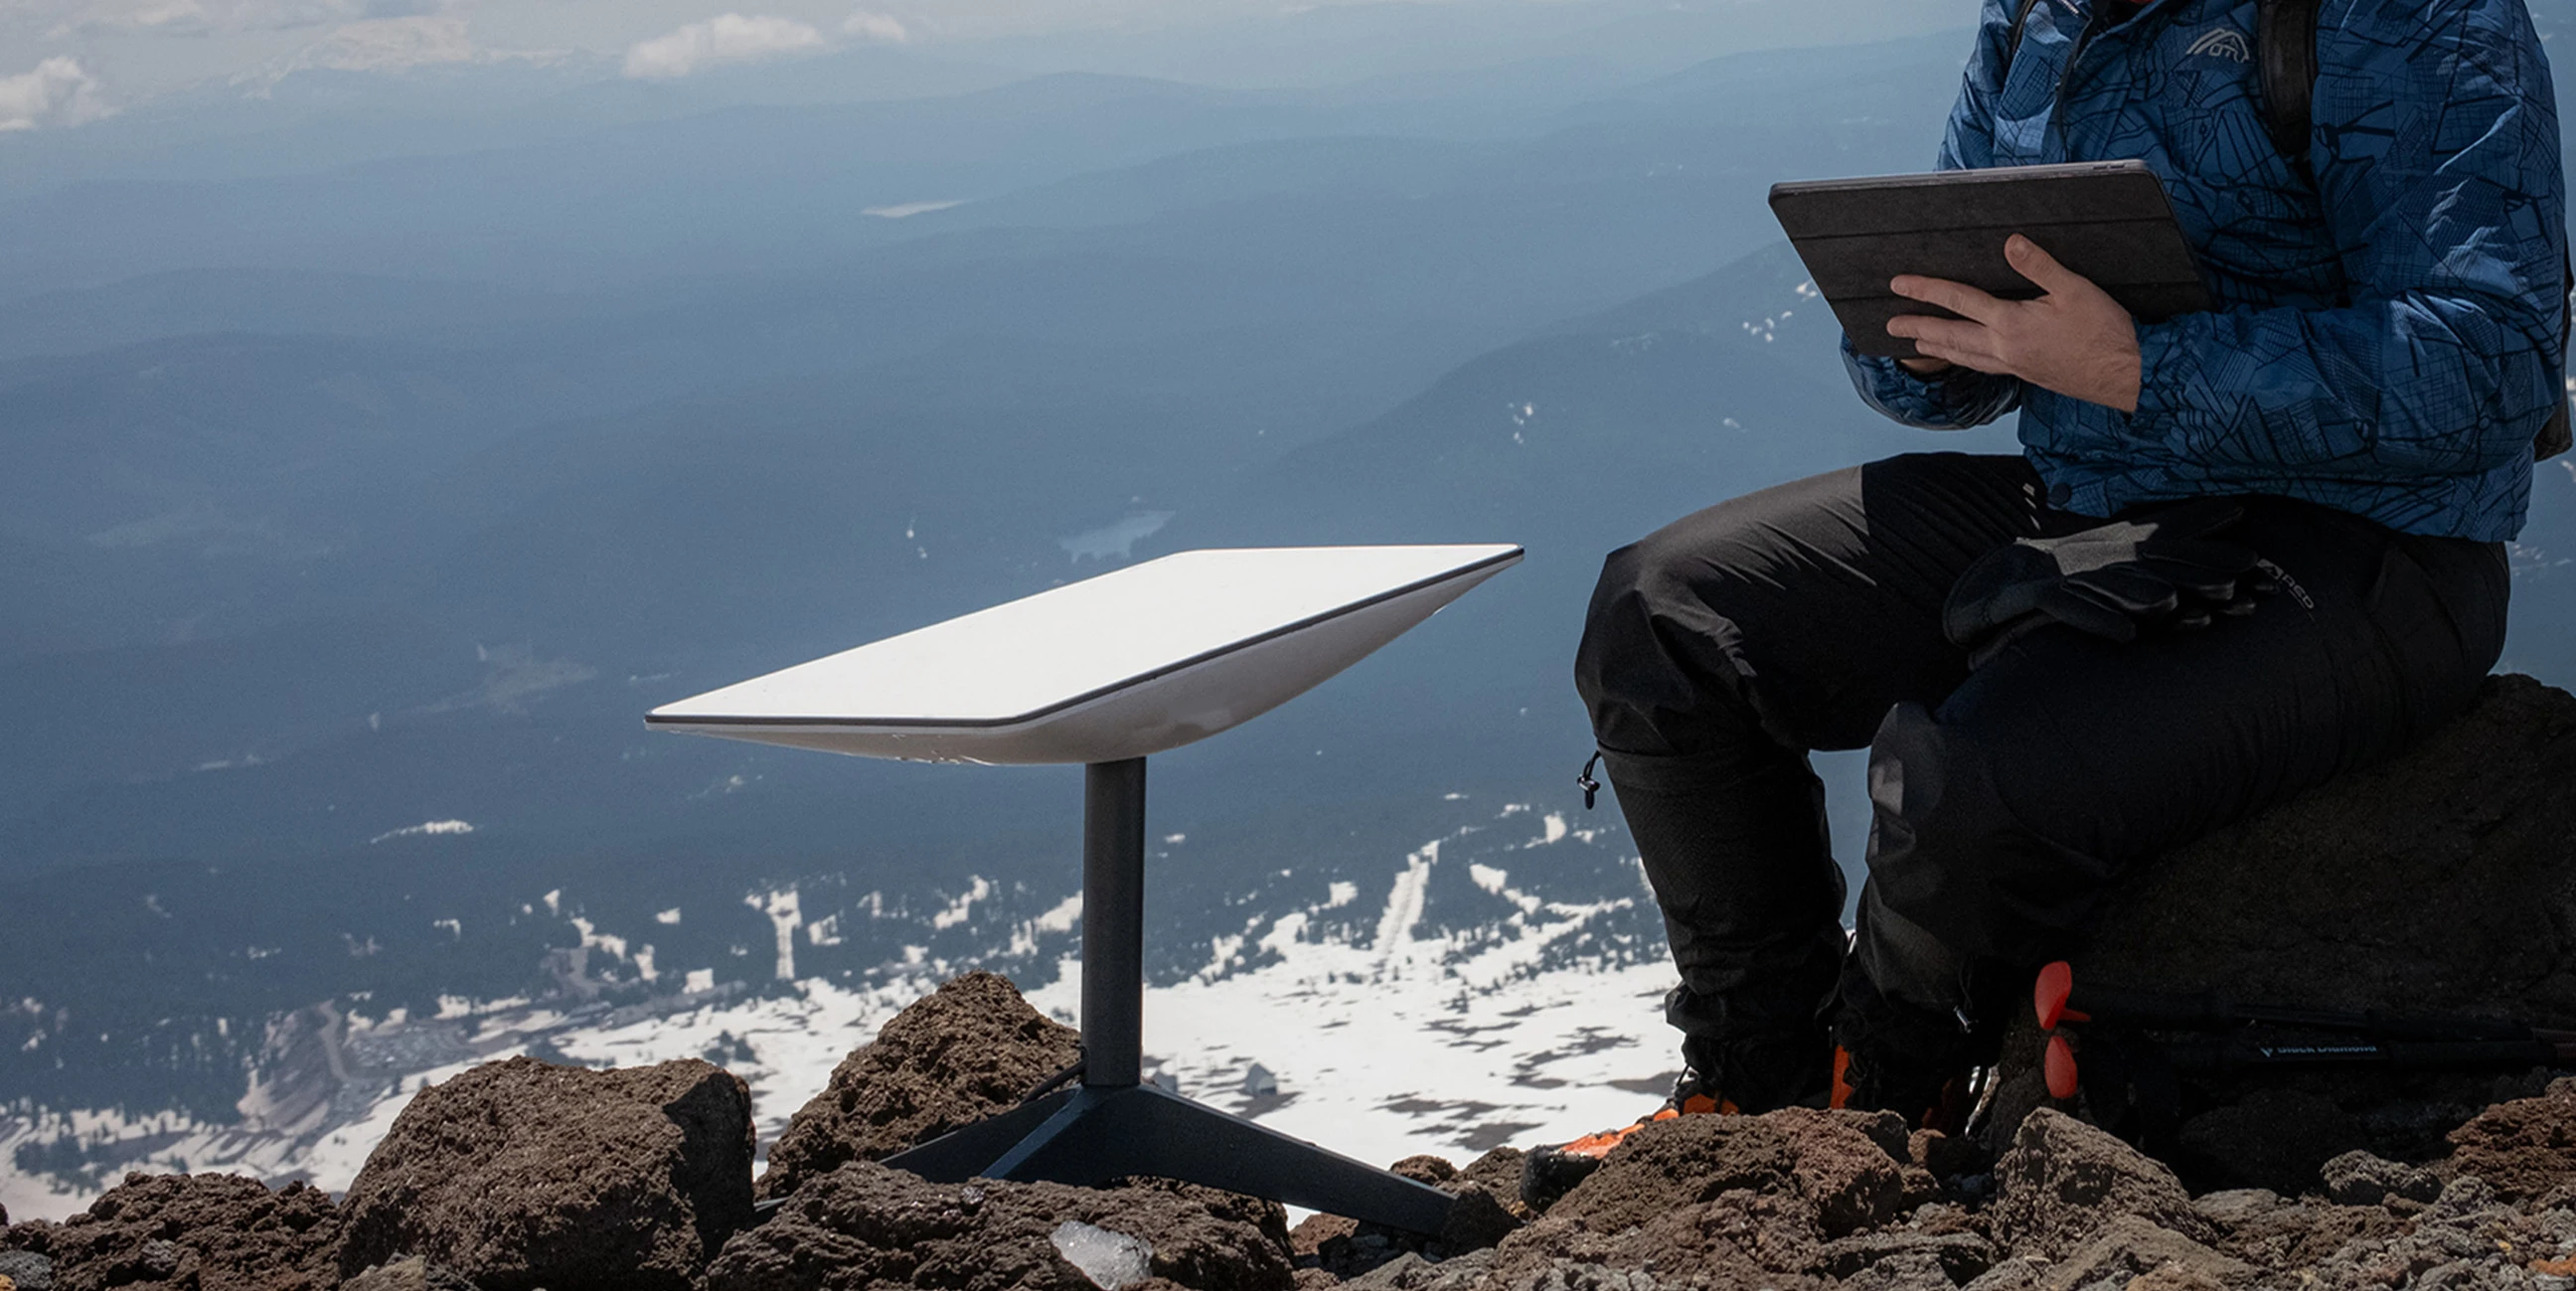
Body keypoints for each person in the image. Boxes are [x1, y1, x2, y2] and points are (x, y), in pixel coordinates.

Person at [1538, 0, 2567, 1177]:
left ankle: (1877, 1095)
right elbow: (1940, 368)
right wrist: (1920, 339)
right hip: (2098, 497)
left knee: (1968, 787)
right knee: (1663, 615)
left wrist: (2138, 368)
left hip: (2370, 548)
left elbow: (2492, 364)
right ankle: (1753, 1079)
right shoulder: (2039, 11)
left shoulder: (2408, 12)